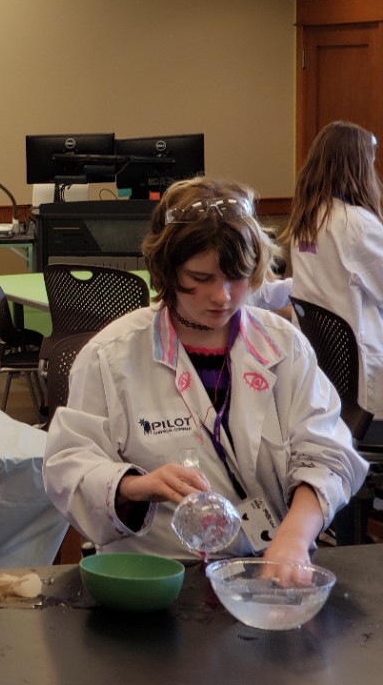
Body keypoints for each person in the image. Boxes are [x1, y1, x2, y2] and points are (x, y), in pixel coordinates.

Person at [43, 177, 367, 564]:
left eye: (237, 276)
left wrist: (294, 539)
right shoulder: (110, 355)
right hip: (157, 572)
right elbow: (68, 467)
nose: (222, 296)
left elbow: (329, 455)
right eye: (201, 278)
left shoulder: (284, 346)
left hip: (268, 567)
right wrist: (134, 485)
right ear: (167, 270)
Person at [283, 120, 383, 421]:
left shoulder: (308, 220)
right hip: (362, 374)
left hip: (327, 370)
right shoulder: (356, 225)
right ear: (358, 166)